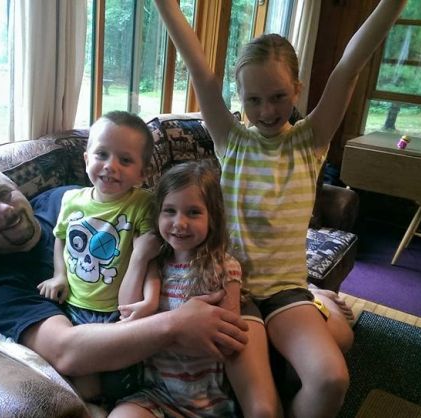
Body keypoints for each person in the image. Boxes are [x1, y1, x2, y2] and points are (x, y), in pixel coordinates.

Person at [154, 1, 407, 416]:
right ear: (240, 98)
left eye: (278, 97)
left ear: (297, 90)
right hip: (233, 290)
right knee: (261, 408)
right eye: (254, 100)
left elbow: (348, 67)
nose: (267, 111)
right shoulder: (231, 140)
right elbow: (199, 69)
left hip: (286, 291)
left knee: (332, 379)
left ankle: (317, 309)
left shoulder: (310, 140)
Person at [0, 162, 250, 401]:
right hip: (153, 354)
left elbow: (163, 223)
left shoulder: (66, 200)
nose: (5, 209)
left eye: (5, 193)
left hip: (201, 288)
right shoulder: (3, 288)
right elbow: (66, 350)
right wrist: (177, 324)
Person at [110, 161, 280, 418]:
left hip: (208, 401)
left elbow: (226, 343)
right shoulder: (156, 264)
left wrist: (155, 337)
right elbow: (126, 310)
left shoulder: (225, 268)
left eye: (193, 212)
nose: (179, 223)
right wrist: (139, 257)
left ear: (213, 218)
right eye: (169, 211)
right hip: (156, 394)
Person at [37, 110, 160, 324]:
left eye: (125, 160)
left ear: (143, 173)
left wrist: (151, 300)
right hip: (71, 304)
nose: (110, 166)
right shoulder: (70, 199)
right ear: (86, 160)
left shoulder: (144, 204)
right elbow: (61, 237)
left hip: (119, 308)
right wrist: (59, 275)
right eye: (101, 154)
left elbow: (150, 257)